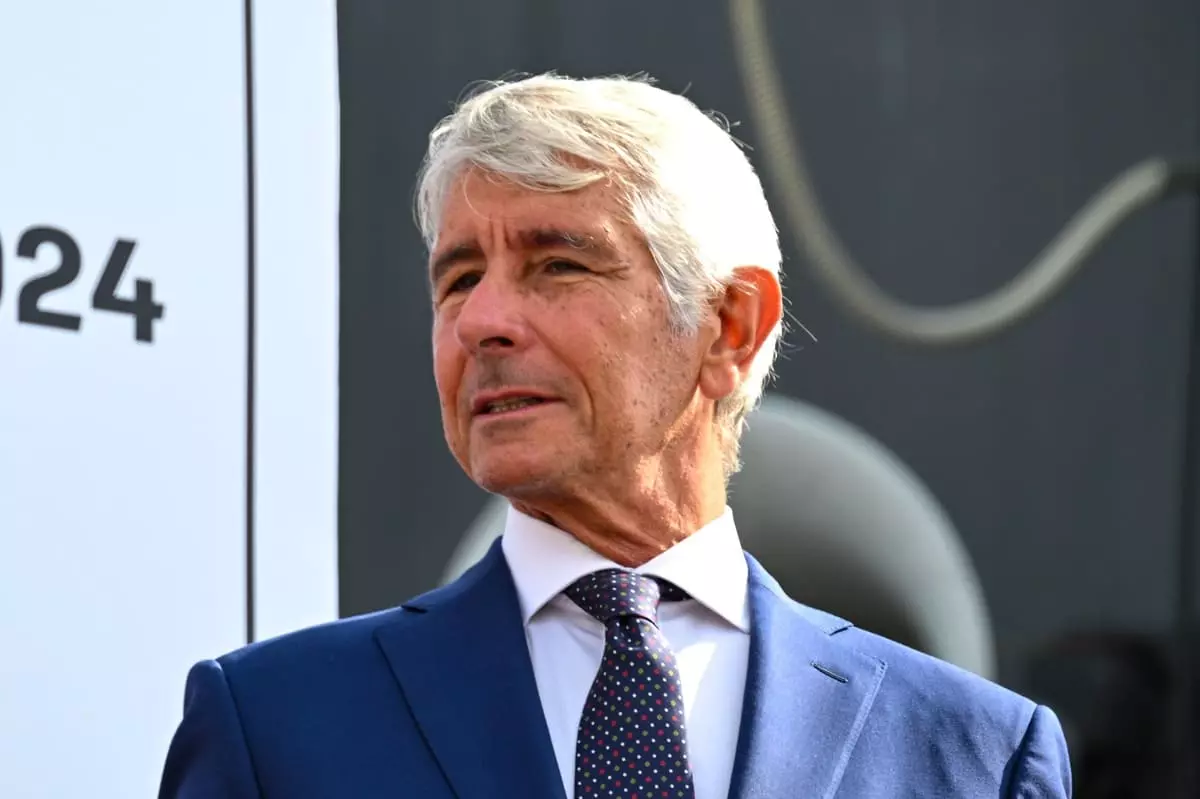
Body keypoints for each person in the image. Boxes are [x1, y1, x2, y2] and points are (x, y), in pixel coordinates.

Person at [158, 73, 1071, 798]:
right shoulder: (273, 727)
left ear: (730, 326)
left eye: (558, 265)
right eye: (460, 278)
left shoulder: (978, 756)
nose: (483, 321)